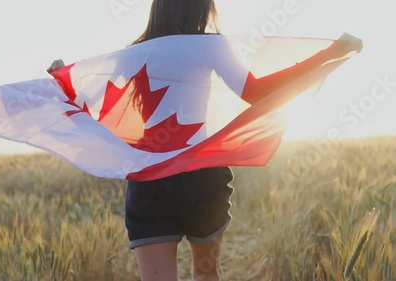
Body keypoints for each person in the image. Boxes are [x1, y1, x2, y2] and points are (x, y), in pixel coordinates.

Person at [125, 1, 363, 281]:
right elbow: (256, 92)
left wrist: (59, 80)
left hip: (149, 174)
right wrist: (330, 52)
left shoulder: (133, 53)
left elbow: (88, 92)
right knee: (205, 275)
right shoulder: (208, 46)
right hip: (201, 175)